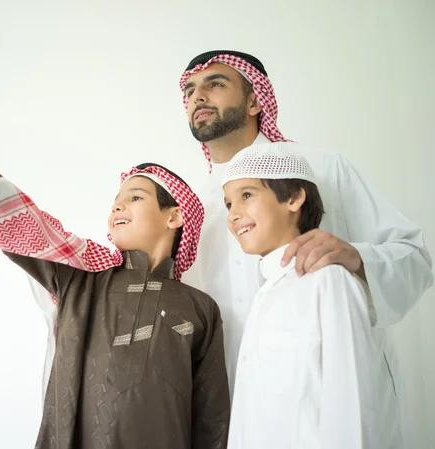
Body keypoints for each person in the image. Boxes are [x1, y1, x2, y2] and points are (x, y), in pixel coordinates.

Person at [0, 107, 230, 449]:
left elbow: (212, 421)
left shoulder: (200, 309)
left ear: (175, 217)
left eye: (134, 198)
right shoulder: (79, 278)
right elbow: (21, 220)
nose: (116, 208)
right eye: (115, 202)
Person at [178, 51, 433, 446]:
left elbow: (415, 257)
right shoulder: (195, 210)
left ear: (254, 100)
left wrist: (359, 257)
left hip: (335, 407)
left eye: (215, 83)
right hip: (243, 416)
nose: (198, 97)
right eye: (190, 90)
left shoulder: (320, 168)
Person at [222, 142, 401, 449]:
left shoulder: (327, 280)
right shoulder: (267, 294)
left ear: (294, 197)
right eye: (228, 205)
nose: (234, 215)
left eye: (247, 195)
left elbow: (353, 408)